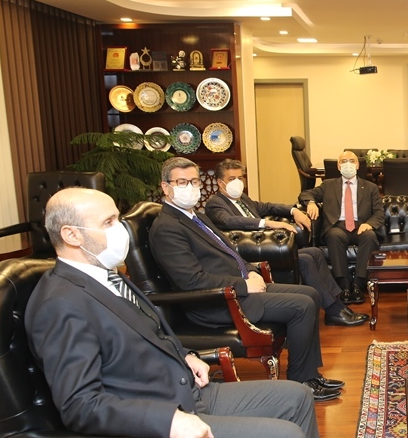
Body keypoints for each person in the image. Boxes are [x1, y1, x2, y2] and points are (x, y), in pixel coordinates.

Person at [25, 187, 364, 438]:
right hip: (153, 432)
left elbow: (149, 332)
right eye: (109, 222)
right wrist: (167, 421)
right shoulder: (60, 304)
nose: (121, 230)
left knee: (296, 397)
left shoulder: (103, 277)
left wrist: (184, 355)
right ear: (71, 235)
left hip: (185, 390)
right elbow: (80, 405)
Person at [149, 157, 341, 401]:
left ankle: (310, 374)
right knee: (301, 305)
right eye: (182, 182)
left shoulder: (196, 217)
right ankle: (301, 380)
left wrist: (250, 271)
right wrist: (243, 285)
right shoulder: (167, 227)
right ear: (166, 187)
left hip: (238, 288)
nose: (190, 187)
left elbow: (229, 251)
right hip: (217, 301)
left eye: (194, 181)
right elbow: (191, 281)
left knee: (311, 294)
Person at [205, 159, 368, 327]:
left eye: (240, 178)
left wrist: (293, 210)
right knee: (305, 260)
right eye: (232, 179)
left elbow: (267, 207)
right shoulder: (215, 203)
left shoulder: (242, 199)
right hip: (249, 255)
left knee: (315, 252)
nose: (238, 182)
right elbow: (229, 221)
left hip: (268, 249)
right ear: (220, 182)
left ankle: (337, 306)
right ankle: (335, 312)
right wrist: (269, 224)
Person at [298, 151, 384, 304]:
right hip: (337, 226)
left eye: (352, 161)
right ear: (338, 166)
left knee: (370, 236)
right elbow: (305, 194)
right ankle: (344, 285)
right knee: (334, 235)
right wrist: (311, 203)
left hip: (361, 226)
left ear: (357, 165)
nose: (348, 164)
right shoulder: (328, 185)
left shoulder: (370, 187)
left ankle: (358, 285)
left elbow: (379, 213)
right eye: (344, 161)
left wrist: (369, 224)